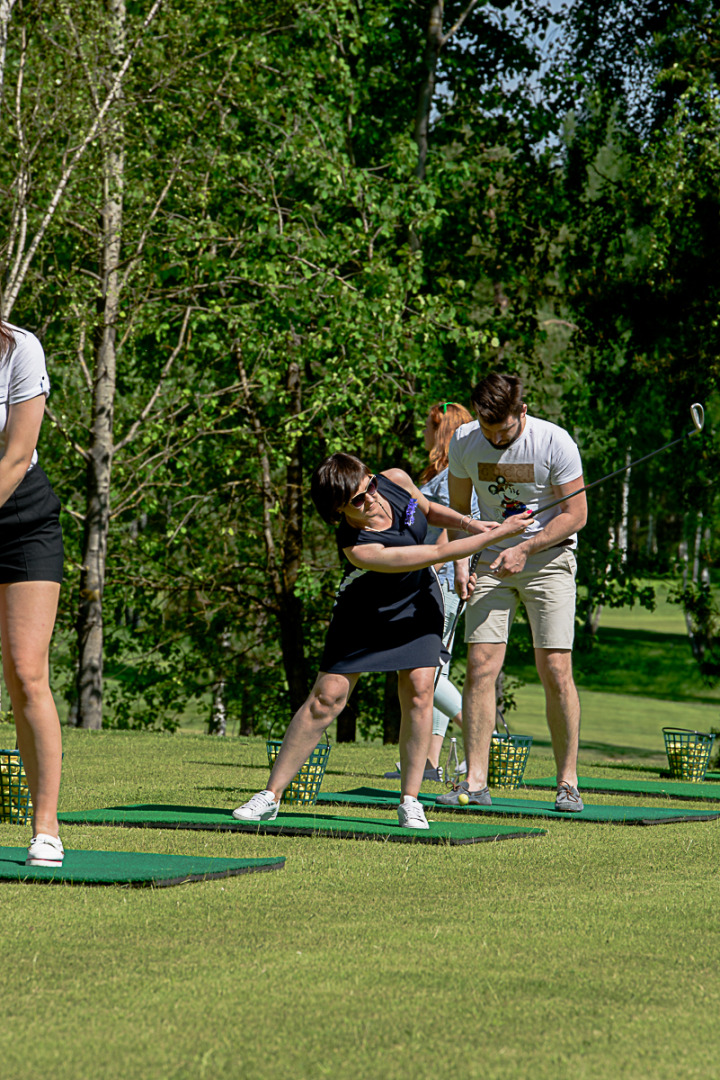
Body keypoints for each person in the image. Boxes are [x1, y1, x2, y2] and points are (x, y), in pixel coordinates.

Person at [234, 453, 532, 829]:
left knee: (421, 690)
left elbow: (427, 510)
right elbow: (436, 552)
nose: (371, 497)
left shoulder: (394, 480)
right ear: (338, 510)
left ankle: (410, 800)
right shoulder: (358, 547)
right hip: (365, 613)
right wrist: (496, 535)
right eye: (358, 499)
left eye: (370, 485)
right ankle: (271, 795)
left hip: (417, 605)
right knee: (326, 700)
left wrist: (469, 522)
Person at [438, 372, 587, 812]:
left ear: (521, 412)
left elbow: (575, 514)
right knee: (481, 665)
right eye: (487, 430)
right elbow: (460, 513)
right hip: (490, 560)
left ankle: (567, 782)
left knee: (555, 668)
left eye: (501, 430)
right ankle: (476, 781)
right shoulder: (465, 442)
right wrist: (461, 563)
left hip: (549, 560)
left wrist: (526, 547)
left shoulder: (554, 443)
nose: (494, 439)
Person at [383, 402, 478, 783]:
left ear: (442, 430)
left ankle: (481, 737)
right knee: (436, 668)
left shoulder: (455, 475)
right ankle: (427, 763)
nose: (423, 431)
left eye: (428, 426)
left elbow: (455, 522)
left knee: (429, 670)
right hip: (434, 579)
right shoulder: (438, 474)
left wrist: (442, 567)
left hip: (440, 583)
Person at [0, 321, 64, 865]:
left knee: (26, 672)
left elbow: (17, 457)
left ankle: (46, 826)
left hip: (23, 518)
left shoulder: (20, 348)